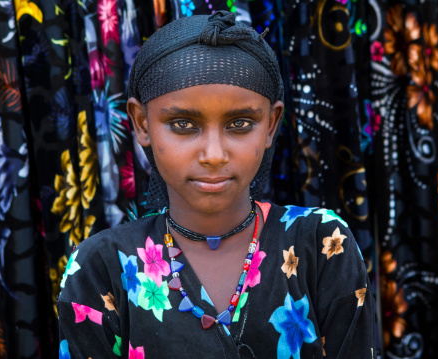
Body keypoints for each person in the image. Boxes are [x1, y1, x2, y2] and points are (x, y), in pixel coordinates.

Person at [57, 11, 375, 359]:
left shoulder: (322, 243)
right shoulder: (101, 267)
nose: (213, 154)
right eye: (182, 124)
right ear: (141, 123)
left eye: (239, 123)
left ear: (271, 125)